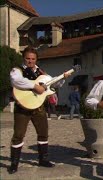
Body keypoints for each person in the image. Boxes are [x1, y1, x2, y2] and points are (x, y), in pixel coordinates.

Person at [8, 46, 70, 174]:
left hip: (38, 107)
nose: (30, 61)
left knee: (43, 133)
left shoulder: (41, 73)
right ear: (23, 58)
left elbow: (52, 84)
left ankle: (43, 159)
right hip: (22, 108)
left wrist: (62, 78)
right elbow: (16, 81)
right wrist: (34, 86)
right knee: (18, 135)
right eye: (28, 58)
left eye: (33, 59)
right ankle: (14, 163)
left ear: (36, 59)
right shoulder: (17, 70)